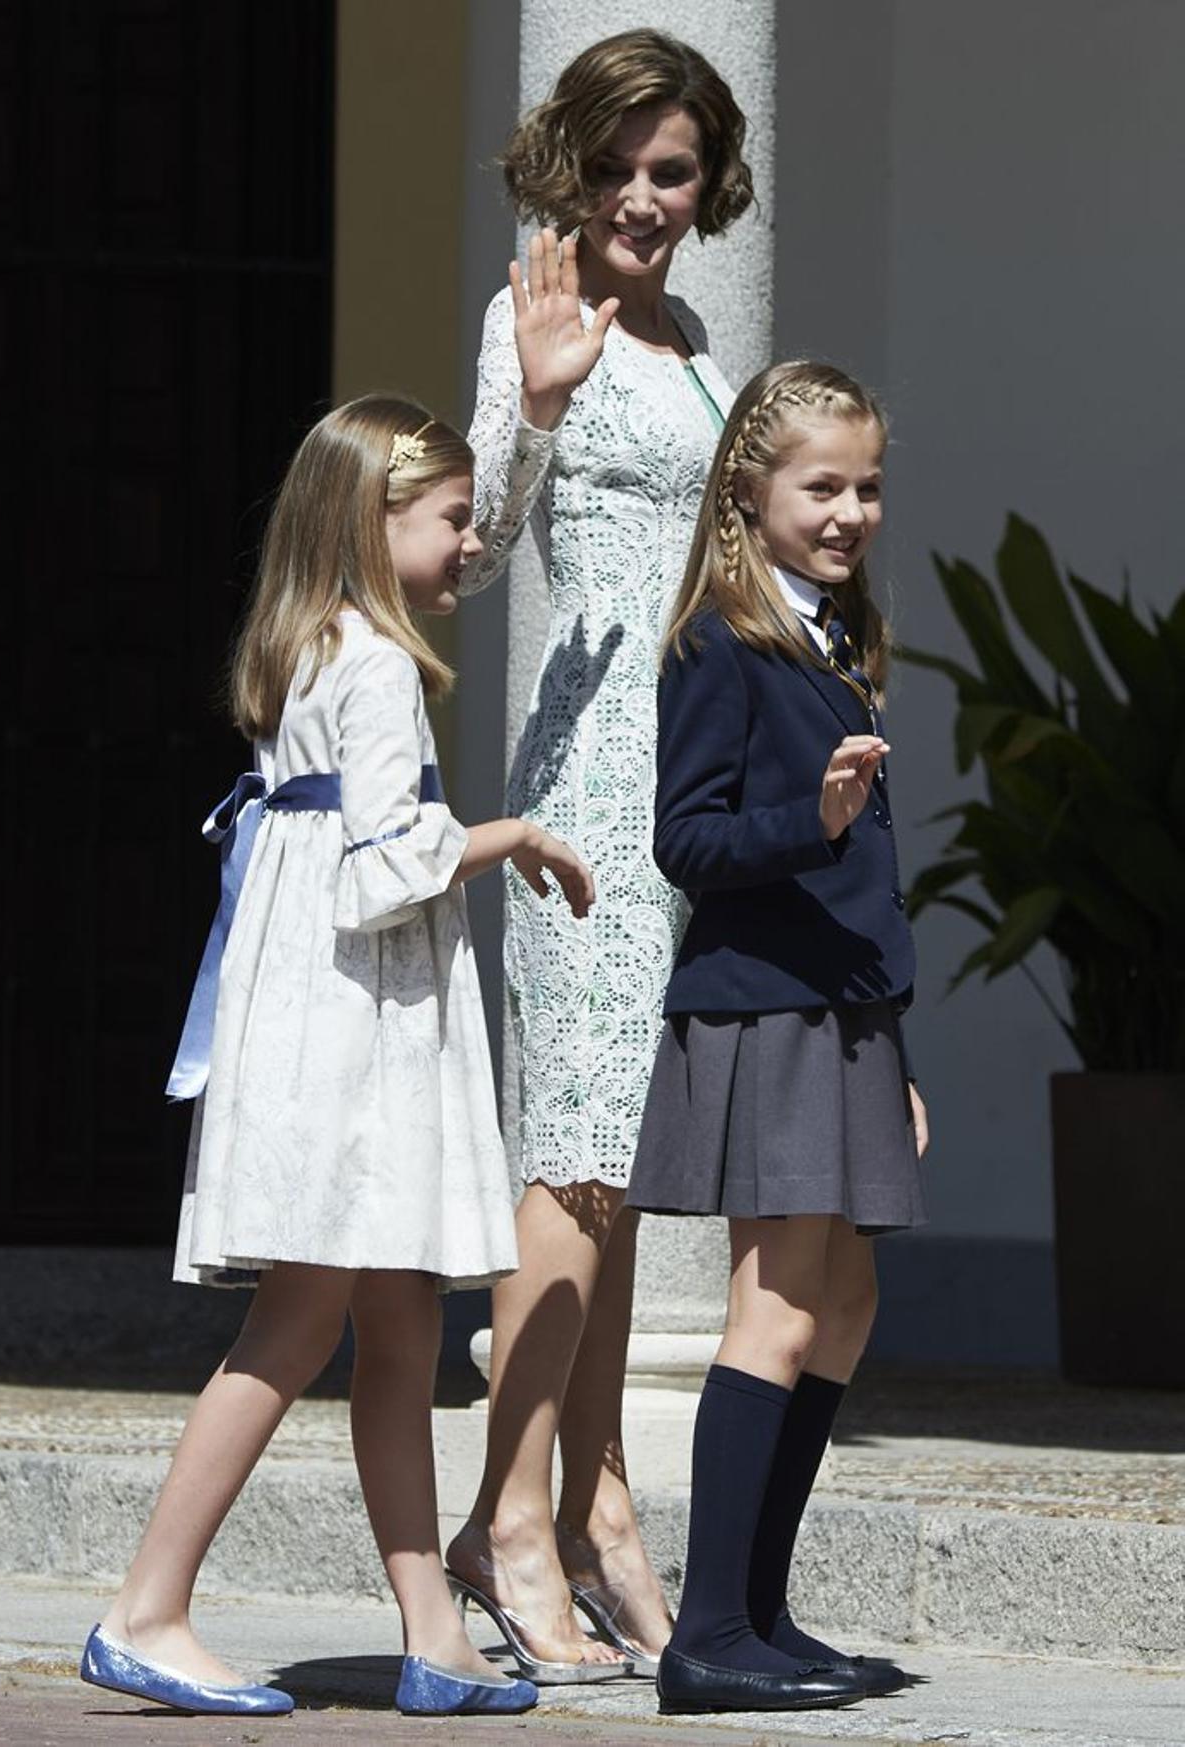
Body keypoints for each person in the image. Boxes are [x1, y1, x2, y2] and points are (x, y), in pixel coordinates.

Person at [78, 397, 594, 1720]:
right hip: (352, 1033)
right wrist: (506, 836)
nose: (470, 545)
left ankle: (434, 1632)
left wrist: (527, 428)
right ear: (377, 522)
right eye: (452, 519)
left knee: (401, 1322)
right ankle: (148, 1605)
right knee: (304, 1318)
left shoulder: (309, 645)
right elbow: (383, 868)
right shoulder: (372, 667)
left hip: (319, 1012)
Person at [445, 29, 753, 1681]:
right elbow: (477, 556)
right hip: (583, 796)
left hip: (688, 787)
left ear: (709, 188)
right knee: (565, 1158)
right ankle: (505, 1517)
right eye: (622, 165)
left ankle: (602, 1498)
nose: (644, 196)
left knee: (619, 1172)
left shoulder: (701, 336)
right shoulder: (529, 316)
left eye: (675, 170)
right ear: (576, 166)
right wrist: (542, 411)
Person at [625, 360, 930, 1715]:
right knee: (782, 1301)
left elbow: (870, 877)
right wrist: (800, 821)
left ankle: (759, 1607)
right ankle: (706, 1635)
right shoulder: (720, 642)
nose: (852, 510)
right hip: (765, 1006)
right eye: (824, 486)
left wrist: (898, 1056)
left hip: (846, 1015)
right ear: (751, 493)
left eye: (868, 486)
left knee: (848, 1303)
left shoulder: (841, 644)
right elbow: (683, 841)